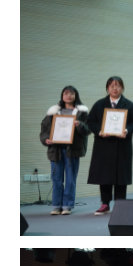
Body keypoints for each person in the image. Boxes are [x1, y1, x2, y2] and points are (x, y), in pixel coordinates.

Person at [85, 76, 133, 216]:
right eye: (111, 86)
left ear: (122, 88)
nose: (115, 88)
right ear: (107, 88)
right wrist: (99, 131)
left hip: (122, 145)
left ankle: (120, 204)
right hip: (103, 145)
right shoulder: (99, 104)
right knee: (104, 174)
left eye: (117, 86)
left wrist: (127, 130)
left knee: (121, 175)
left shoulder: (129, 105)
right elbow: (90, 121)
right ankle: (105, 204)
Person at [41, 86, 89, 215]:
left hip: (72, 149)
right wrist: (46, 139)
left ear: (75, 95)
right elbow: (44, 129)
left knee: (70, 179)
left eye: (71, 93)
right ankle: (56, 206)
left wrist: (80, 125)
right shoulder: (53, 112)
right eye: (66, 93)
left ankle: (67, 206)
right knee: (56, 179)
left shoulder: (82, 112)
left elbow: (88, 129)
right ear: (62, 95)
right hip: (56, 149)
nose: (68, 96)